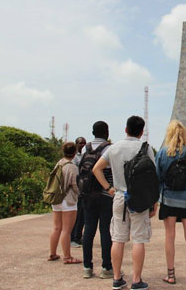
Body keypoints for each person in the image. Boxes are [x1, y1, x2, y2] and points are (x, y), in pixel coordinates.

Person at [93, 116, 157, 290]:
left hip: (120, 197)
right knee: (138, 239)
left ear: (125, 129)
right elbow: (152, 177)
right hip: (140, 198)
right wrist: (154, 202)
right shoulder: (146, 148)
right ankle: (136, 280)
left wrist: (109, 188)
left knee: (118, 239)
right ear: (141, 131)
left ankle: (116, 278)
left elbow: (96, 169)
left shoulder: (114, 148)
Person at [155, 120, 186, 286]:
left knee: (170, 237)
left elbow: (158, 178)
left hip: (169, 200)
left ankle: (171, 275)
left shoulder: (162, 153)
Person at [80, 123, 114, 279]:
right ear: (106, 132)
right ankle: (106, 267)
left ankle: (87, 267)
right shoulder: (109, 149)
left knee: (88, 229)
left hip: (87, 195)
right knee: (105, 231)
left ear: (93, 132)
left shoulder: (84, 149)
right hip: (105, 195)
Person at [47, 142, 82, 264]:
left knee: (56, 228)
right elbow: (76, 185)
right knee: (67, 230)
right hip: (68, 200)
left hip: (56, 199)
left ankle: (52, 253)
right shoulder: (72, 167)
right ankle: (67, 257)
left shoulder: (59, 164)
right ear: (74, 153)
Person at [70, 136, 86, 248]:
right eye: (80, 143)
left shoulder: (85, 155)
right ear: (76, 144)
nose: (82, 145)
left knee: (82, 215)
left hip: (84, 189)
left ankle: (78, 236)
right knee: (76, 215)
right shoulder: (74, 157)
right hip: (77, 190)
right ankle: (73, 238)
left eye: (84, 143)